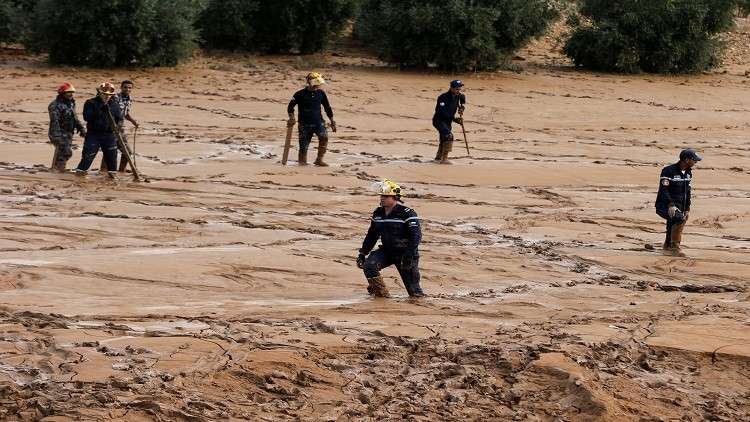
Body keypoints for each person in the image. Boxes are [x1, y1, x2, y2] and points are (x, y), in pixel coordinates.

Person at [357, 180, 424, 298]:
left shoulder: (407, 213)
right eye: (381, 196)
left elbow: (416, 236)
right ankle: (381, 295)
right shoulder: (378, 213)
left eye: (385, 196)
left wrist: (409, 255)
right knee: (369, 266)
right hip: (387, 252)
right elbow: (372, 235)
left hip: (405, 254)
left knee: (415, 293)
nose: (382, 198)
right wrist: (363, 253)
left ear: (396, 197)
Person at [656, 149, 702, 256]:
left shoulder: (688, 173)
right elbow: (664, 190)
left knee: (672, 223)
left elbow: (688, 192)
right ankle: (675, 247)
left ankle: (667, 246)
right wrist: (671, 205)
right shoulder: (668, 171)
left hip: (680, 206)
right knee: (680, 219)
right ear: (686, 160)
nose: (696, 162)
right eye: (694, 160)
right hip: (665, 205)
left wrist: (687, 209)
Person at [287, 72, 337, 166]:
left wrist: (332, 121)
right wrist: (291, 118)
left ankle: (319, 159)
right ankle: (302, 162)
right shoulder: (299, 94)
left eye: (318, 84)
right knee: (304, 145)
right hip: (304, 124)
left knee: (324, 138)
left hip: (319, 122)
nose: (317, 86)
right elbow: (290, 107)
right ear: (309, 82)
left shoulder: (321, 93)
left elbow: (327, 107)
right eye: (315, 83)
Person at [75, 82, 123, 179]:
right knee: (88, 155)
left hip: (109, 135)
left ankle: (112, 177)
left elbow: (119, 119)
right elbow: (87, 117)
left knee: (112, 157)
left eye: (109, 95)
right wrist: (100, 110)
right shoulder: (90, 102)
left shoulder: (114, 104)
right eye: (105, 94)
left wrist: (117, 128)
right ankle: (80, 176)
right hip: (94, 134)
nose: (107, 97)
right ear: (100, 93)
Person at [101, 80, 139, 172]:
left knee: (127, 152)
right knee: (109, 150)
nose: (127, 89)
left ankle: (121, 171)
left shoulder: (129, 99)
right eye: (125, 87)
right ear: (121, 88)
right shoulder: (114, 97)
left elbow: (125, 114)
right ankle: (103, 171)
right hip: (110, 128)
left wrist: (133, 121)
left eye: (129, 88)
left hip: (120, 128)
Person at [48, 83, 86, 172]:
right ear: (62, 93)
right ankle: (57, 170)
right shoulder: (55, 105)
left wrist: (81, 128)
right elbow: (55, 121)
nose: (71, 94)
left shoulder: (71, 103)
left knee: (63, 153)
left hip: (69, 132)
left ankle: (58, 169)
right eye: (68, 92)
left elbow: (74, 117)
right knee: (65, 152)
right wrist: (57, 136)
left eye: (72, 92)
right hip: (59, 132)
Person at [432, 80, 466, 164]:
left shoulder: (459, 96)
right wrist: (455, 119)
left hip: (448, 122)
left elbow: (462, 104)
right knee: (448, 136)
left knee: (443, 138)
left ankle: (438, 158)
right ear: (451, 88)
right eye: (457, 89)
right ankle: (445, 159)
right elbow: (441, 111)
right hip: (439, 120)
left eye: (460, 88)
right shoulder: (443, 97)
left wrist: (462, 108)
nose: (459, 90)